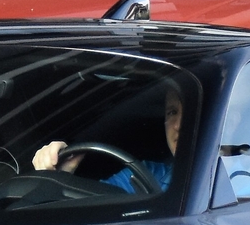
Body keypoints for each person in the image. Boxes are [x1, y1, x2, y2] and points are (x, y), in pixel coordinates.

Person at [30, 83, 186, 195]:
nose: (178, 125)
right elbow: (91, 205)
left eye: (190, 112)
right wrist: (60, 177)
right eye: (172, 112)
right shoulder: (143, 174)